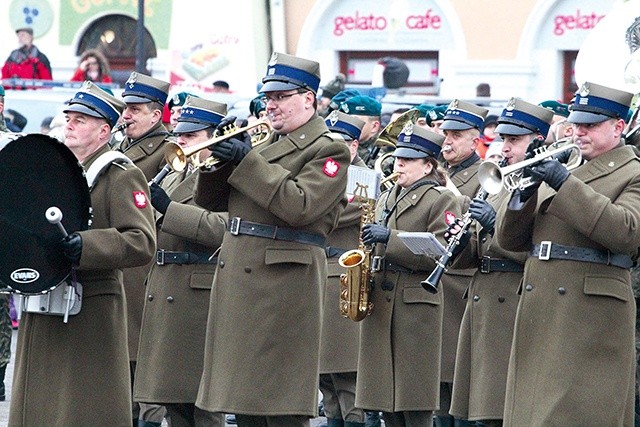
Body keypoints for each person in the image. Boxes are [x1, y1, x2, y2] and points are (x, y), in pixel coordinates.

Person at [194, 51, 351, 426]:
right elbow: (210, 202)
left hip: (282, 285)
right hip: (243, 279)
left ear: (308, 98)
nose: (272, 105)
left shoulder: (329, 148)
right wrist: (219, 161)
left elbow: (301, 206)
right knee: (245, 402)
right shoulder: (263, 144)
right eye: (269, 98)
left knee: (278, 404)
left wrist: (246, 161)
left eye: (281, 97)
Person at [8, 81, 156, 425]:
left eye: (81, 119)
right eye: (69, 117)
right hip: (44, 298)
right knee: (40, 407)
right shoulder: (55, 169)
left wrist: (88, 245)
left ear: (105, 131)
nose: (70, 124)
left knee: (82, 408)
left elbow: (142, 240)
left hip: (90, 307)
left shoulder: (120, 174)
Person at [496, 82, 639, 425]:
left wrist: (564, 183)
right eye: (576, 124)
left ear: (619, 127)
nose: (579, 132)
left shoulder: (632, 172)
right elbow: (510, 241)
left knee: (577, 413)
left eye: (591, 125)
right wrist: (523, 193)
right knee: (530, 412)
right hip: (540, 303)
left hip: (588, 311)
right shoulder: (565, 165)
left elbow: (626, 232)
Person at [447, 98, 554, 426]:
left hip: (513, 301)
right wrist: (460, 241)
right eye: (502, 140)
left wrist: (495, 224)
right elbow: (469, 259)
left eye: (514, 141)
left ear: (537, 141)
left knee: (500, 410)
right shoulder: (497, 184)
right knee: (478, 410)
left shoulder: (546, 188)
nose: (504, 148)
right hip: (482, 300)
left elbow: (538, 251)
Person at [354, 124, 462, 426]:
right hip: (382, 298)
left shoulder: (440, 198)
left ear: (428, 165)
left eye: (408, 159)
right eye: (398, 157)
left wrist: (390, 238)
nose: (398, 164)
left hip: (415, 304)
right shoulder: (387, 195)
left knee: (414, 403)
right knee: (385, 400)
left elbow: (442, 251)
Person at [134, 96, 228, 427]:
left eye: (191, 136)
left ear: (214, 136)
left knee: (202, 405)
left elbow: (225, 229)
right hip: (166, 285)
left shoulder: (224, 174)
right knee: (173, 400)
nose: (181, 142)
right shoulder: (174, 171)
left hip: (198, 291)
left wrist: (169, 210)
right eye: (180, 134)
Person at [116, 71, 172, 427]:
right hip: (121, 265)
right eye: (126, 108)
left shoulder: (166, 151)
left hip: (143, 268)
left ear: (156, 115)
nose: (126, 116)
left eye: (135, 110)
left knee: (141, 359)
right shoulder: (121, 147)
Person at [435, 99, 488, 427]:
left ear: (475, 139)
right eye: (445, 133)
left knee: (460, 386)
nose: (447, 141)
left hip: (462, 285)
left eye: (456, 134)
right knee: (439, 387)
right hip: (439, 285)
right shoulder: (440, 172)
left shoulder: (486, 176)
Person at [320, 110, 368, 427]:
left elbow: (330, 214)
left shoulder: (365, 179)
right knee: (326, 381)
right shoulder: (327, 173)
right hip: (320, 274)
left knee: (348, 379)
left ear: (353, 146)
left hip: (344, 277)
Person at [337, 95, 382, 167]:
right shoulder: (341, 145)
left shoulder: (382, 158)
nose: (348, 125)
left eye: (355, 121)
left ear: (374, 126)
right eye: (346, 120)